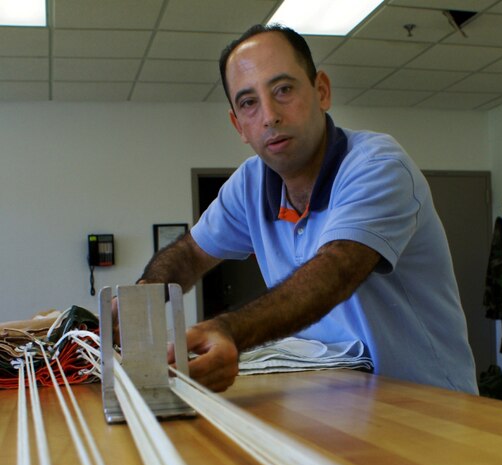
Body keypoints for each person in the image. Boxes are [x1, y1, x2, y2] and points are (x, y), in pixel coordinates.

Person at [136, 23, 478, 395]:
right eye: (249, 103)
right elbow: (189, 253)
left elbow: (335, 273)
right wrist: (144, 293)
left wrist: (229, 331)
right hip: (332, 406)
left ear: (321, 91)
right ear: (238, 124)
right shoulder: (249, 183)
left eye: (283, 90)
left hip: (428, 408)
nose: (269, 116)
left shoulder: (378, 165)